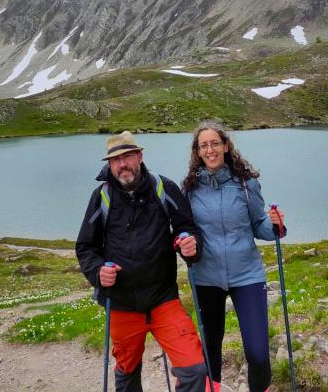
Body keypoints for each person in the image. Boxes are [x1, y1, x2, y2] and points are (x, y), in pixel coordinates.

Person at [76, 131, 209, 392]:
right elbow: (86, 246)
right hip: (121, 304)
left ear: (140, 156)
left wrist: (190, 245)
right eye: (116, 160)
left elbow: (187, 228)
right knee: (127, 376)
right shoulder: (101, 197)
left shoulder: (164, 187)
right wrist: (97, 272)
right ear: (109, 165)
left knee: (195, 370)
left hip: (163, 301)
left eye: (127, 156)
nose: (122, 164)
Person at [182, 122, 287, 392]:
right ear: (198, 151)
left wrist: (275, 226)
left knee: (259, 354)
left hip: (247, 275)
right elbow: (185, 230)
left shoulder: (246, 184)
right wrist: (183, 243)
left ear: (226, 146)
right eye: (203, 145)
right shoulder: (190, 189)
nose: (210, 149)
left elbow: (258, 225)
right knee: (209, 351)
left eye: (214, 143)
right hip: (205, 276)